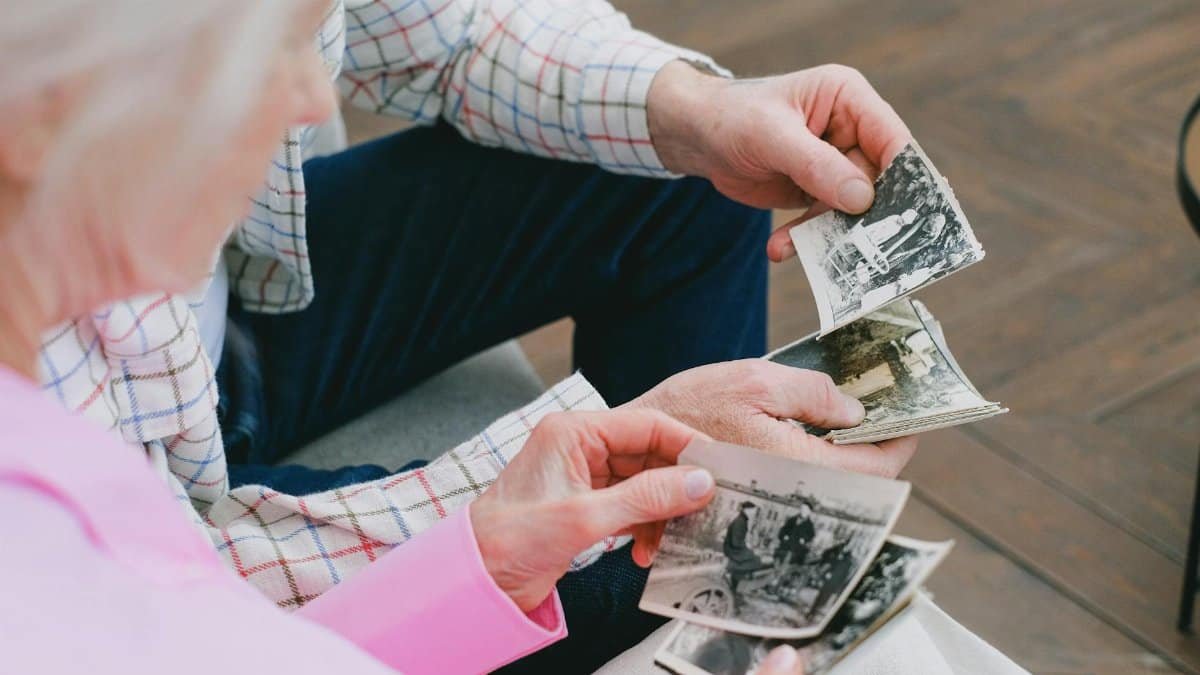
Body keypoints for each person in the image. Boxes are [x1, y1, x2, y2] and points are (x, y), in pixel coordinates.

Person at [28, 0, 921, 670]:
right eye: (258, 52)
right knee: (644, 563)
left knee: (696, 171)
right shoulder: (40, 490)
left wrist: (699, 109)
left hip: (220, 326)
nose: (314, 100)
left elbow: (437, 20)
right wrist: (574, 494)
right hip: (177, 502)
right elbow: (186, 607)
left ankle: (693, 558)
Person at [724, 501, 767, 595]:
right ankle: (734, 574)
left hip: (733, 548)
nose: (754, 513)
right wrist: (746, 546)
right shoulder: (740, 522)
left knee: (752, 556)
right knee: (756, 561)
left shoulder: (742, 520)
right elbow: (735, 542)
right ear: (747, 510)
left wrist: (747, 545)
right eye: (753, 511)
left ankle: (737, 579)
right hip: (732, 550)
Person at [775, 502, 818, 568]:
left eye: (805, 509)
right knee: (777, 564)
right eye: (802, 508)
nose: (803, 510)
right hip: (785, 547)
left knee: (789, 567)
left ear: (809, 512)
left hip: (796, 551)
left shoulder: (810, 525)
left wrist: (804, 539)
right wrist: (784, 536)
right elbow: (783, 530)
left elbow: (811, 536)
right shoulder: (792, 520)